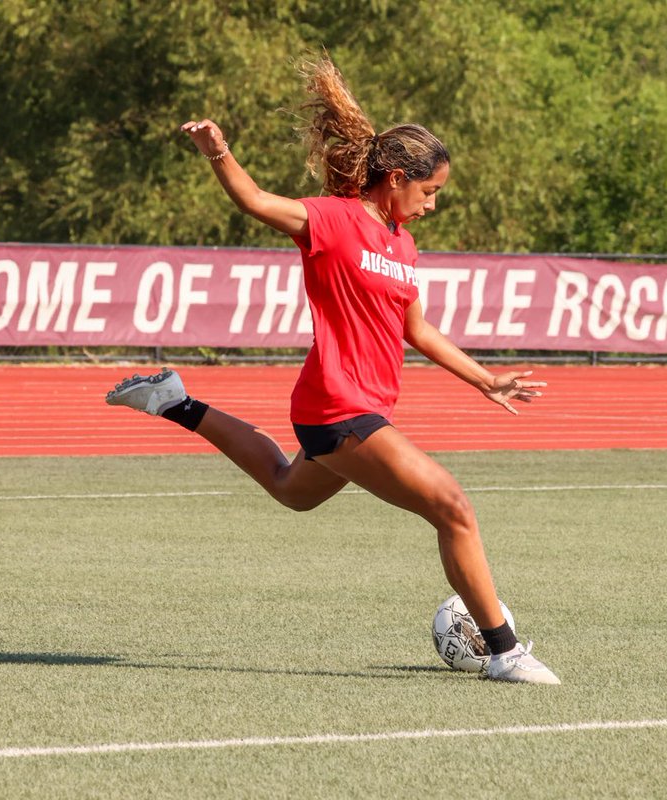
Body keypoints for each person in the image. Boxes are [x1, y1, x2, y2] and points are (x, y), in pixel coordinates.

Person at [106, 55, 559, 684]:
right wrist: (219, 153)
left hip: (359, 407)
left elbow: (417, 330)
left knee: (290, 491)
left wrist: (486, 380)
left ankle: (177, 402)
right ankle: (505, 651)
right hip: (340, 405)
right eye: (429, 192)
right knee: (453, 506)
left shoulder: (404, 245)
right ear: (396, 177)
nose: (432, 205)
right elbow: (255, 200)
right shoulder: (333, 219)